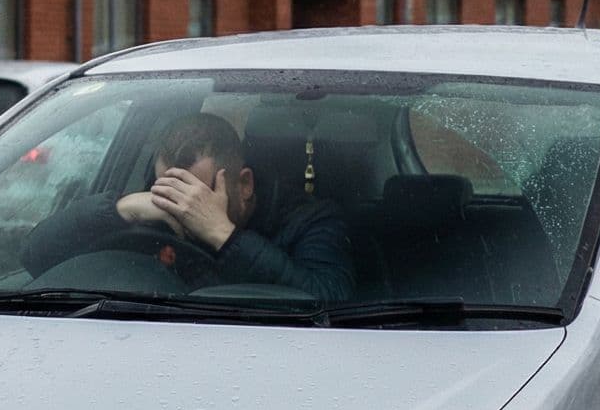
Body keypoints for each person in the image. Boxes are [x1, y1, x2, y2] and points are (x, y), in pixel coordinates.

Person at [22, 112, 356, 299]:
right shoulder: (151, 210)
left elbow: (330, 300)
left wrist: (224, 236)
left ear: (244, 184)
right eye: (169, 188)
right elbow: (37, 259)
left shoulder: (308, 220)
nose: (181, 205)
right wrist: (119, 209)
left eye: (197, 192)